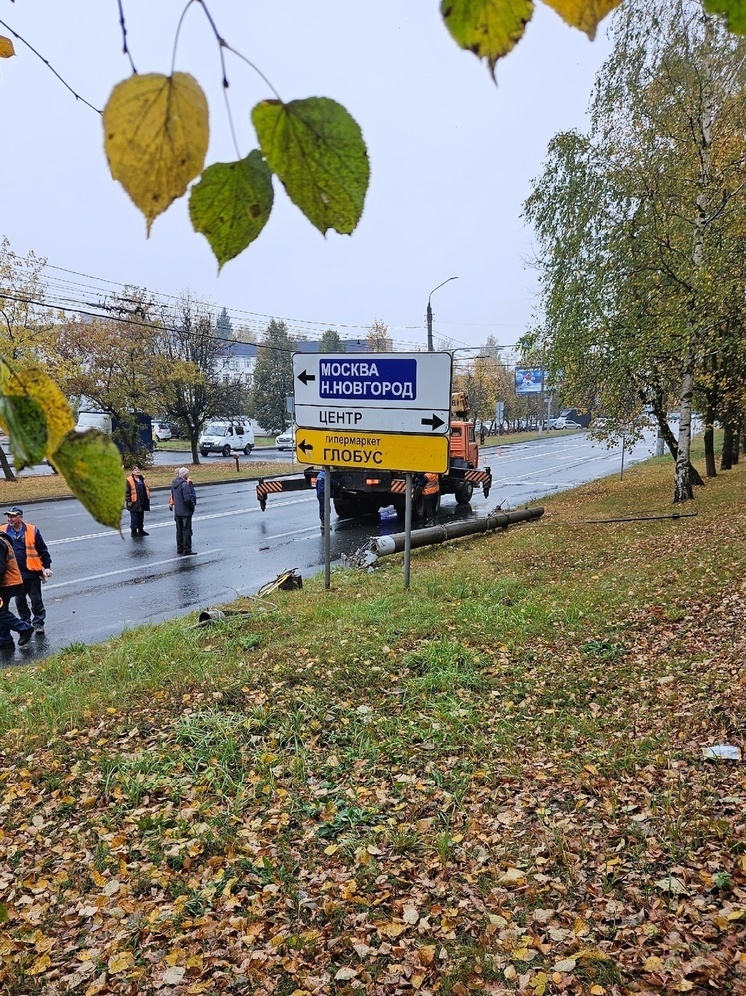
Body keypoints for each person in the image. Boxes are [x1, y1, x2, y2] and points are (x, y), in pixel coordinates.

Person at [0, 507, 52, 632]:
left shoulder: (32, 530)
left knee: (36, 599)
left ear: (20, 517)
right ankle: (25, 622)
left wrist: (47, 566)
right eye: (9, 516)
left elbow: (42, 550)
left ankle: (38, 623)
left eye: (13, 516)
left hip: (32, 572)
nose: (10, 519)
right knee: (20, 601)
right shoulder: (2, 530)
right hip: (16, 575)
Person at [0, 531, 35, 649]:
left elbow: (0, 568)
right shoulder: (3, 539)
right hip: (9, 582)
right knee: (2, 610)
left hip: (6, 583)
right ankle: (5, 640)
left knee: (1, 612)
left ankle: (24, 628)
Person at [170, 466, 197, 555]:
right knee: (186, 531)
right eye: (187, 474)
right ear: (185, 475)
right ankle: (187, 549)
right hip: (185, 511)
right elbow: (187, 499)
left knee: (179, 530)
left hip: (177, 511)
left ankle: (180, 548)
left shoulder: (174, 484)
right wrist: (192, 506)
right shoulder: (184, 485)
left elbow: (173, 497)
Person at [125, 465, 151, 537]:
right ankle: (134, 532)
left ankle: (141, 530)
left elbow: (146, 488)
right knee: (134, 518)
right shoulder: (129, 480)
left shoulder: (141, 479)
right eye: (136, 470)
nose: (137, 471)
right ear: (132, 472)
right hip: (134, 502)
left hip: (141, 502)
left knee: (141, 517)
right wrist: (129, 501)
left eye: (138, 470)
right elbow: (127, 492)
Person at [315, 468, 326, 532]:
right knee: (325, 507)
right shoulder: (325, 475)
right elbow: (331, 481)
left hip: (319, 494)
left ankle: (323, 522)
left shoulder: (319, 475)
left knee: (322, 507)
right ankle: (324, 523)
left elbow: (317, 486)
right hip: (322, 493)